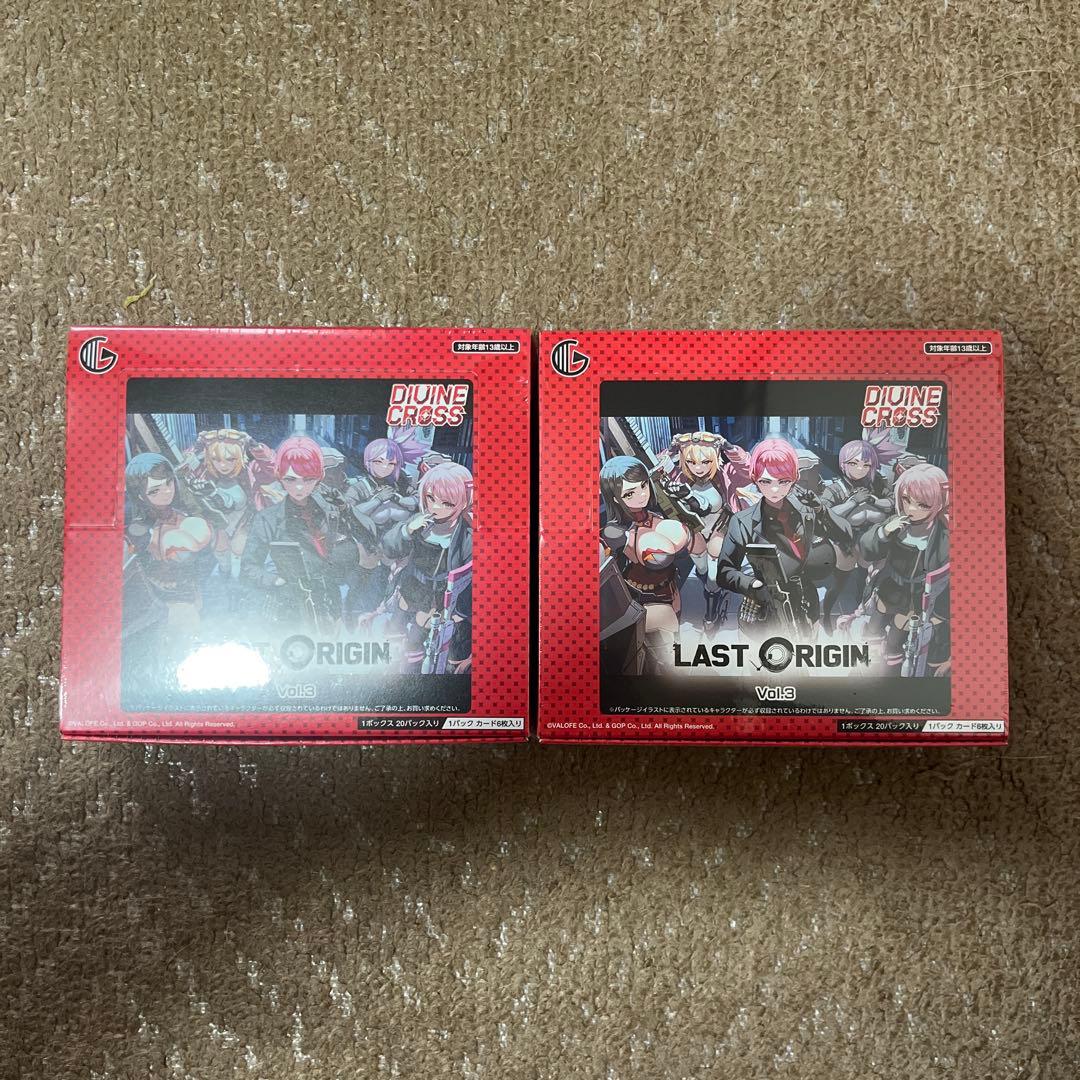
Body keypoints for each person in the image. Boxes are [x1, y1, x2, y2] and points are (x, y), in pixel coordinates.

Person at [715, 438, 851, 639]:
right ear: (755, 479)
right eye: (766, 481)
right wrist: (752, 585)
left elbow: (845, 534)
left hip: (805, 600)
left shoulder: (807, 512)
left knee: (805, 651)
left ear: (794, 479)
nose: (774, 489)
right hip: (762, 603)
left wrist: (821, 510)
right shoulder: (743, 521)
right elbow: (725, 572)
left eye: (783, 481)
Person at [600, 455, 692, 673]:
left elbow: (687, 547)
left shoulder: (652, 514)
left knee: (672, 649)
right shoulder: (615, 532)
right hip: (643, 600)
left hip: (670, 590)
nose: (641, 495)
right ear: (615, 498)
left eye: (643, 486)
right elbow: (653, 557)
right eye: (629, 493)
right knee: (662, 659)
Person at [381, 461, 474, 674]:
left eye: (447, 503)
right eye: (431, 498)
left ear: (463, 502)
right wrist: (406, 531)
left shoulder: (467, 537)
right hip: (412, 588)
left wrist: (459, 611)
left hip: (443, 600)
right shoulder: (418, 522)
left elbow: (470, 580)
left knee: (426, 645)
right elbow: (389, 547)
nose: (436, 508)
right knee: (397, 637)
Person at [859, 462, 950, 676]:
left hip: (918, 599)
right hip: (890, 589)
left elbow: (947, 581)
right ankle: (869, 667)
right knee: (873, 631)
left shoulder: (943, 538)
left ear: (938, 503)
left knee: (896, 643)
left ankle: (890, 677)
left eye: (922, 504)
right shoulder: (896, 523)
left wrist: (938, 614)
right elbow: (866, 549)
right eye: (907, 500)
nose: (911, 509)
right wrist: (883, 532)